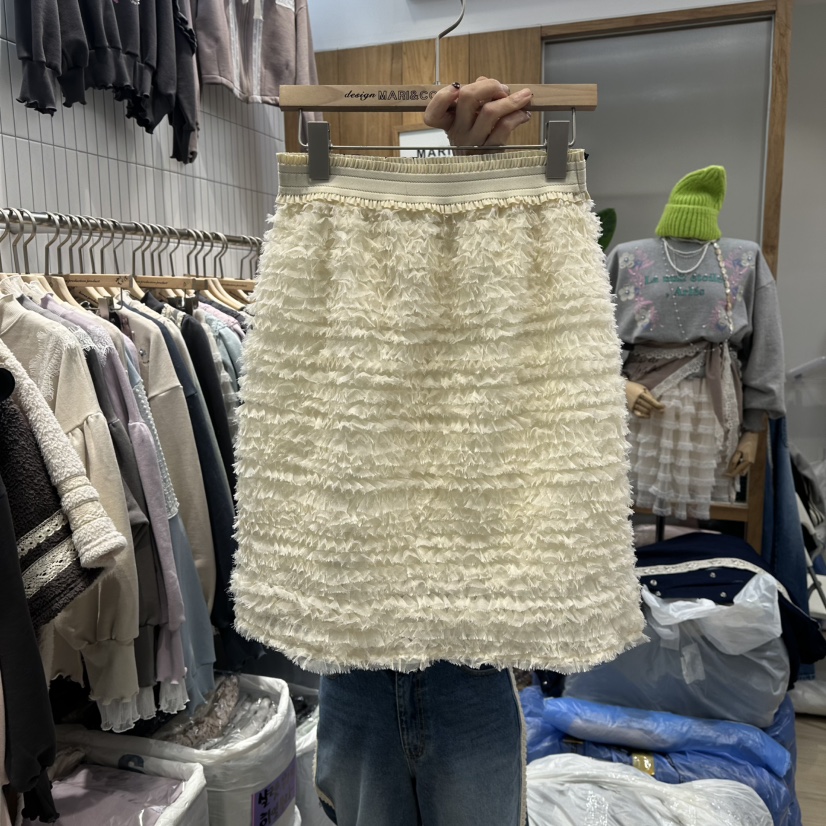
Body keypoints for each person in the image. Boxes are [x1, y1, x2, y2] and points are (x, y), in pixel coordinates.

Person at [311, 78, 535, 826]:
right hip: (357, 654)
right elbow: (386, 336)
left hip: (469, 657)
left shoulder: (523, 295)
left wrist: (464, 180)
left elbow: (477, 351)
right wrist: (433, 160)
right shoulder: (332, 279)